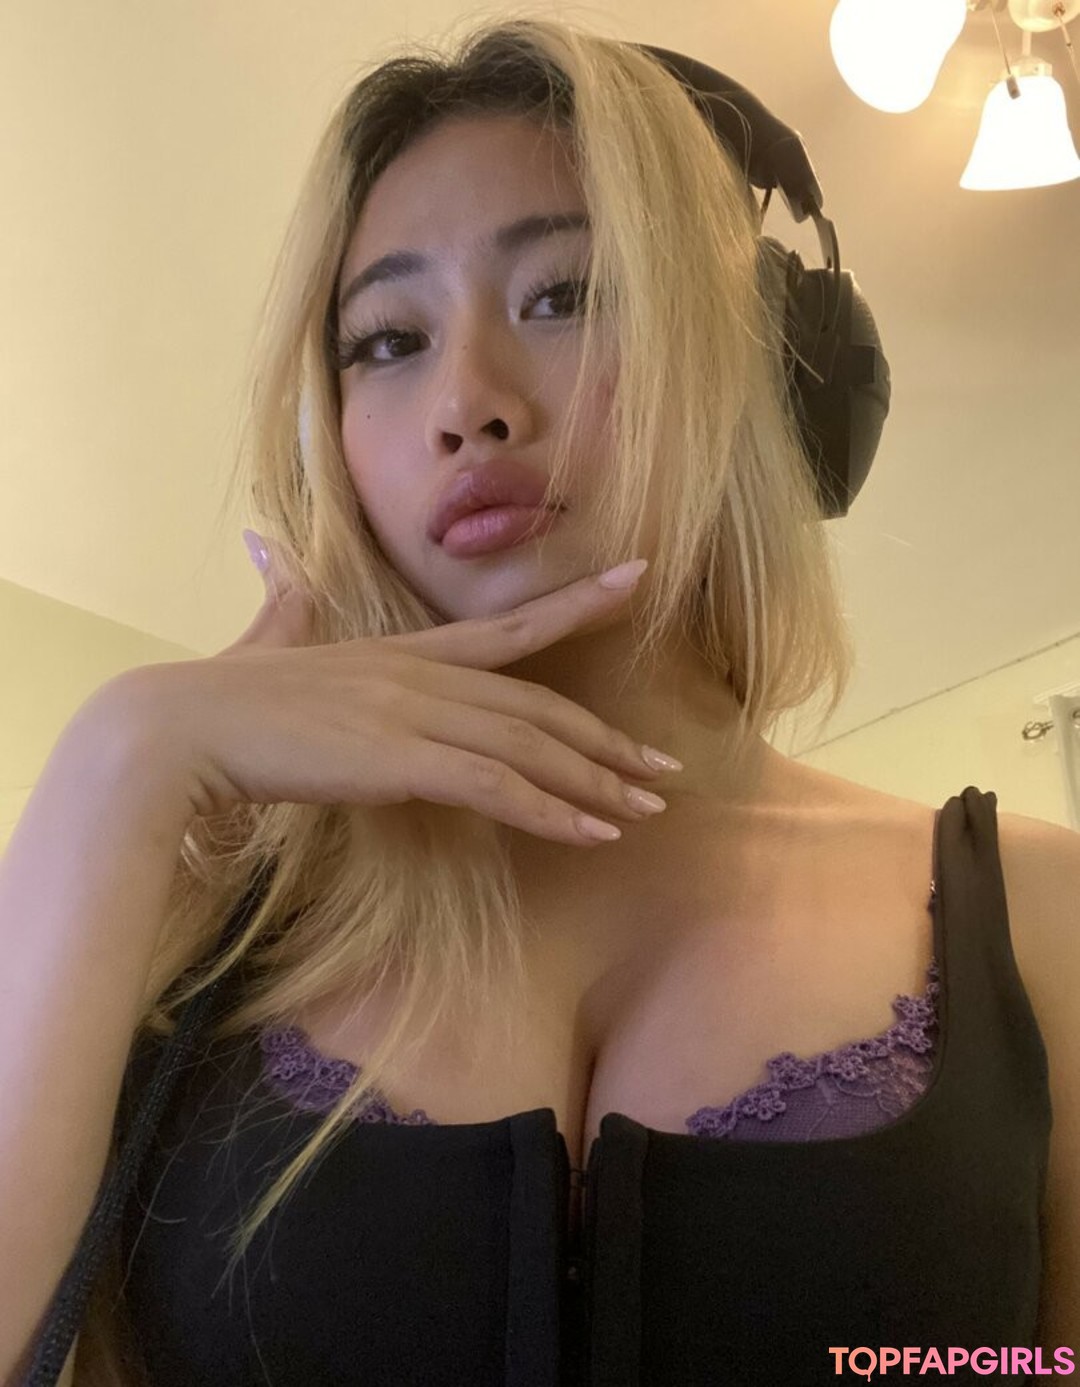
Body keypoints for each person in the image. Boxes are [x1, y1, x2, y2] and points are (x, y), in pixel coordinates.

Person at [2, 15, 1075, 1387]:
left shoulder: (1038, 915)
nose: (467, 403)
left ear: (753, 363)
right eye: (387, 339)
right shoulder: (187, 930)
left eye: (564, 295)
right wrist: (121, 759)